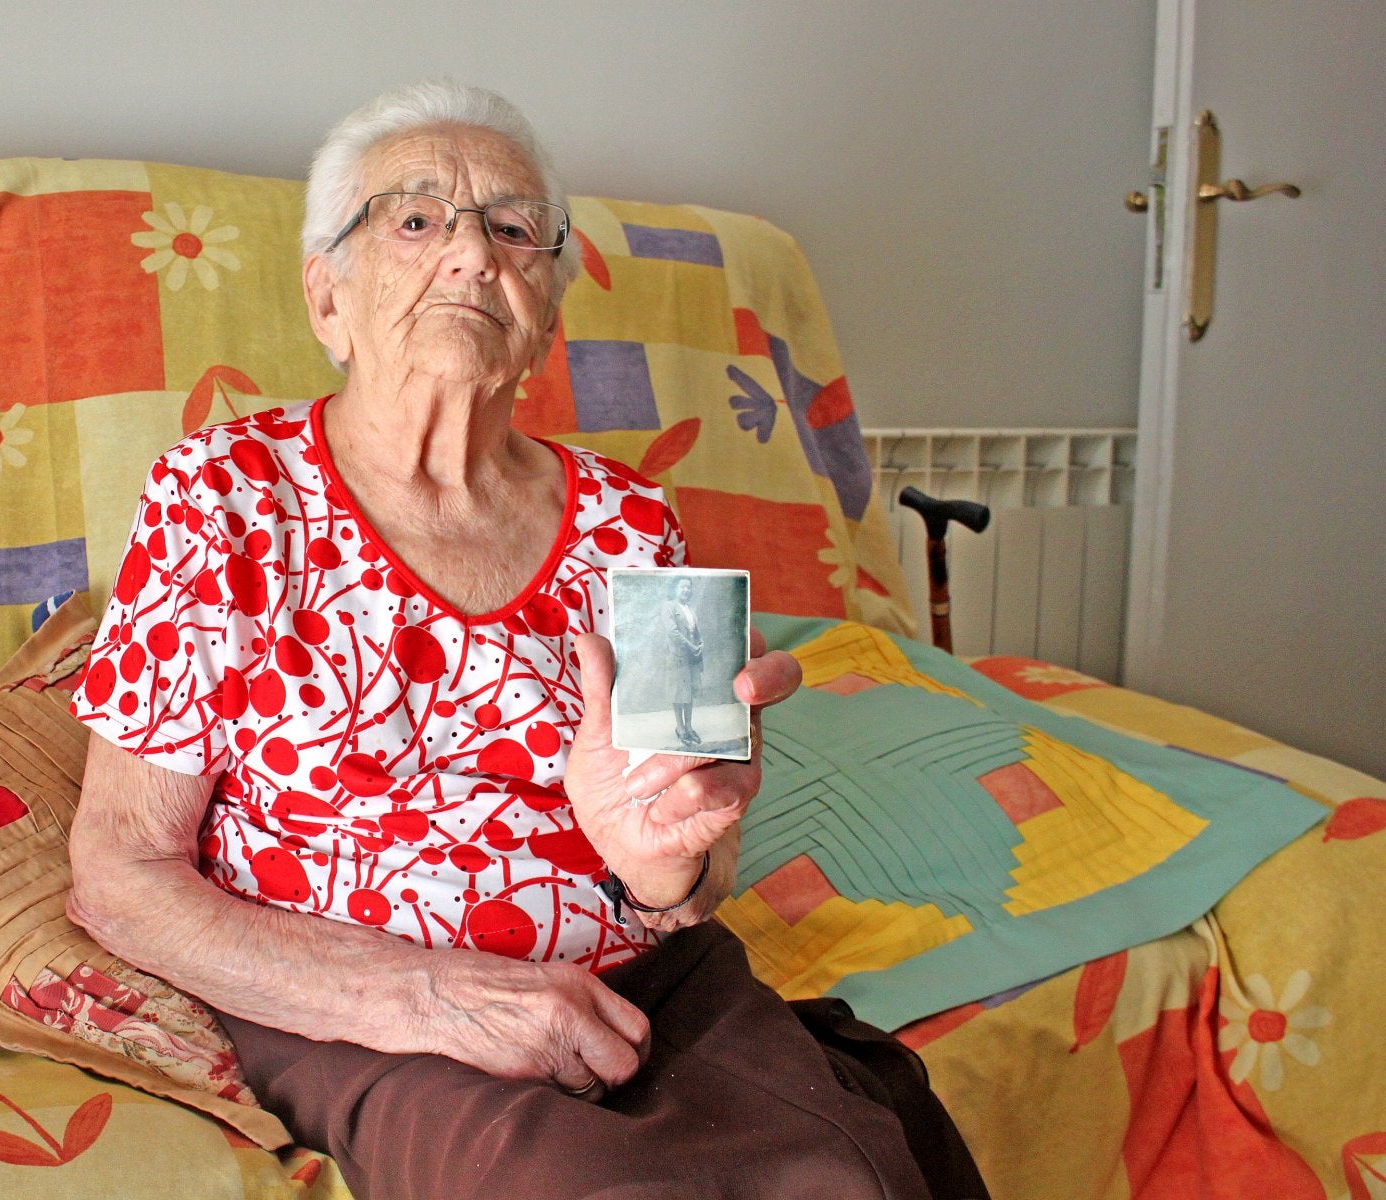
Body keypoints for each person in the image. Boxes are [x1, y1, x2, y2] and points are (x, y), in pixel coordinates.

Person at [66, 82, 987, 1200]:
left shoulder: (634, 524)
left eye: (512, 230)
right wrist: (429, 997)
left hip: (651, 984)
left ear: (546, 306)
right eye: (414, 220)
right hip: (364, 1011)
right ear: (327, 299)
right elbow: (118, 875)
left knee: (853, 1168)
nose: (470, 256)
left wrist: (661, 857)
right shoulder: (224, 497)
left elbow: (688, 879)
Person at [663, 575, 704, 747]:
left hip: (692, 657)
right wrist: (691, 646)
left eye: (689, 587)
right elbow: (672, 632)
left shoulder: (690, 609)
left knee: (690, 692)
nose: (686, 590)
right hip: (678, 656)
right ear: (675, 589)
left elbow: (696, 631)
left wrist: (701, 643)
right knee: (678, 692)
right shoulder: (669, 607)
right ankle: (680, 728)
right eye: (683, 587)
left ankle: (689, 726)